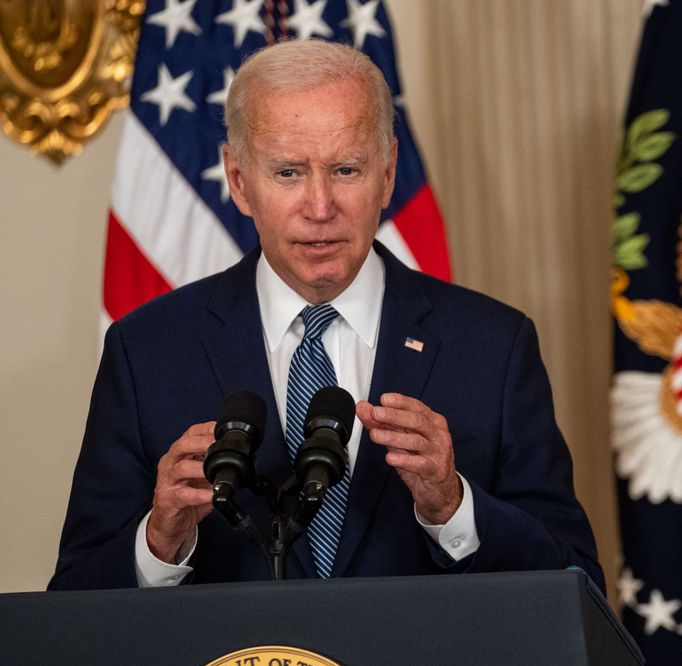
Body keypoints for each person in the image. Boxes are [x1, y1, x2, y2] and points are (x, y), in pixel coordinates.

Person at [48, 40, 602, 591]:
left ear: (387, 174)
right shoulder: (148, 351)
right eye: (288, 173)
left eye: (346, 169)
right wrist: (159, 542)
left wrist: (453, 508)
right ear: (239, 182)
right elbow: (72, 608)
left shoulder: (492, 348)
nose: (319, 207)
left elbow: (578, 584)